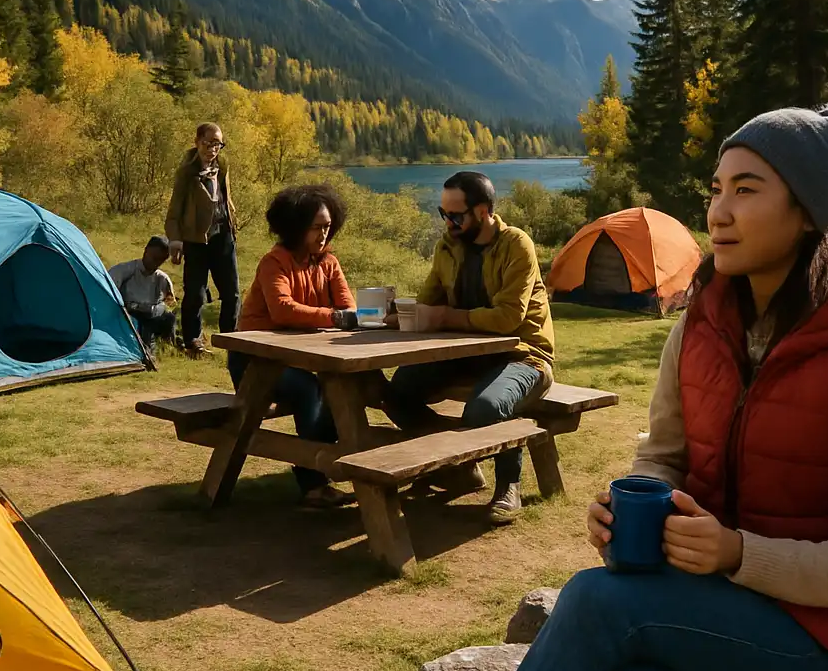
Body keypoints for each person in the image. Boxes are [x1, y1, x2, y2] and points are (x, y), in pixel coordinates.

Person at [490, 104, 828, 671]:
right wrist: (629, 509)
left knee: (595, 600)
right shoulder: (698, 329)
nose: (718, 212)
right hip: (708, 612)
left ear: (808, 212)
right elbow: (663, 457)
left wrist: (737, 552)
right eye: (716, 189)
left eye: (746, 190)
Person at [383, 171, 554, 525]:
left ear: (482, 211)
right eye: (442, 214)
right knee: (396, 392)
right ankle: (459, 464)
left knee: (486, 408)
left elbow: (508, 318)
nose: (448, 223)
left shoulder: (516, 244)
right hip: (464, 355)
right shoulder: (447, 247)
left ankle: (508, 485)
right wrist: (398, 314)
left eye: (455, 216)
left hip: (523, 355)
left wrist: (445, 316)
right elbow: (428, 302)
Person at [230, 183, 358, 509]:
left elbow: (348, 307)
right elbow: (282, 310)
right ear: (296, 227)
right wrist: (333, 317)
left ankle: (319, 460)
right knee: (308, 389)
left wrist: (343, 316)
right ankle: (313, 482)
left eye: (328, 226)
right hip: (255, 361)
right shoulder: (274, 262)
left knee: (347, 387)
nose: (323, 234)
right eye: (316, 227)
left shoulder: (328, 263)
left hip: (300, 358)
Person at [165, 122, 239, 358]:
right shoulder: (187, 173)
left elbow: (225, 198)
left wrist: (232, 224)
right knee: (195, 294)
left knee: (231, 293)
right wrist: (175, 241)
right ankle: (192, 342)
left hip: (223, 236)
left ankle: (231, 340)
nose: (212, 149)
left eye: (217, 144)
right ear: (197, 142)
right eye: (208, 143)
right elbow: (174, 212)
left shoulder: (222, 167)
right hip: (196, 240)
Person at [109, 237, 178, 352]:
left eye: (161, 260)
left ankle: (168, 348)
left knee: (169, 318)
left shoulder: (162, 279)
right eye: (154, 258)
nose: (156, 262)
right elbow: (108, 295)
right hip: (126, 315)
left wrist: (157, 309)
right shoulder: (123, 271)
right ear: (146, 251)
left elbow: (170, 303)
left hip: (152, 316)